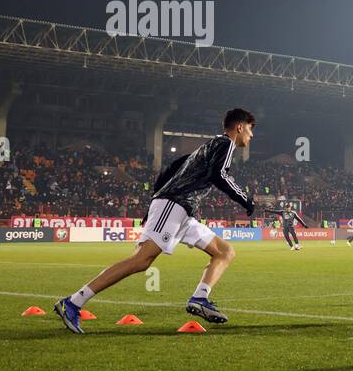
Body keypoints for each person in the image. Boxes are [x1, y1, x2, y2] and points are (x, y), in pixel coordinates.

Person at [54, 108, 256, 332]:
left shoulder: (208, 147)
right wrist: (244, 199)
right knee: (141, 261)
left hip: (181, 210)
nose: (251, 135)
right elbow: (219, 175)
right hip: (175, 204)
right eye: (250, 129)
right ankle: (73, 302)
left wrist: (155, 201)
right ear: (239, 127)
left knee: (225, 252)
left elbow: (172, 168)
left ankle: (199, 298)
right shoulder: (226, 144)